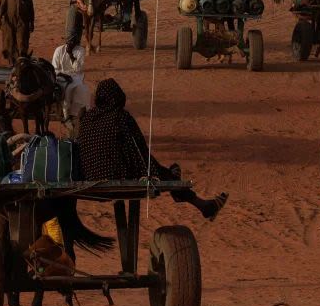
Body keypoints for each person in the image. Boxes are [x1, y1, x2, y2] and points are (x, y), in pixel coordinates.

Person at [77, 79, 228, 219]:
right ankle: (174, 180)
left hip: (91, 179)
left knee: (136, 156)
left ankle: (176, 181)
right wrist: (152, 172)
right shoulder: (120, 116)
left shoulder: (87, 119)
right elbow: (138, 147)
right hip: (116, 176)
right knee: (143, 157)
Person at [52, 41, 90, 138]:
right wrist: (63, 75)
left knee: (83, 89)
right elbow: (55, 69)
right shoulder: (59, 50)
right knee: (67, 89)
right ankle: (66, 115)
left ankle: (81, 113)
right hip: (60, 77)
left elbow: (78, 69)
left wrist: (70, 54)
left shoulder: (80, 50)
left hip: (76, 76)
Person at [0, 0, 35, 65]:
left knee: (22, 42)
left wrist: (32, 22)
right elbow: (2, 5)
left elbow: (30, 7)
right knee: (9, 43)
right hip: (9, 22)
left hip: (22, 22)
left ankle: (21, 63)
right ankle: (11, 63)